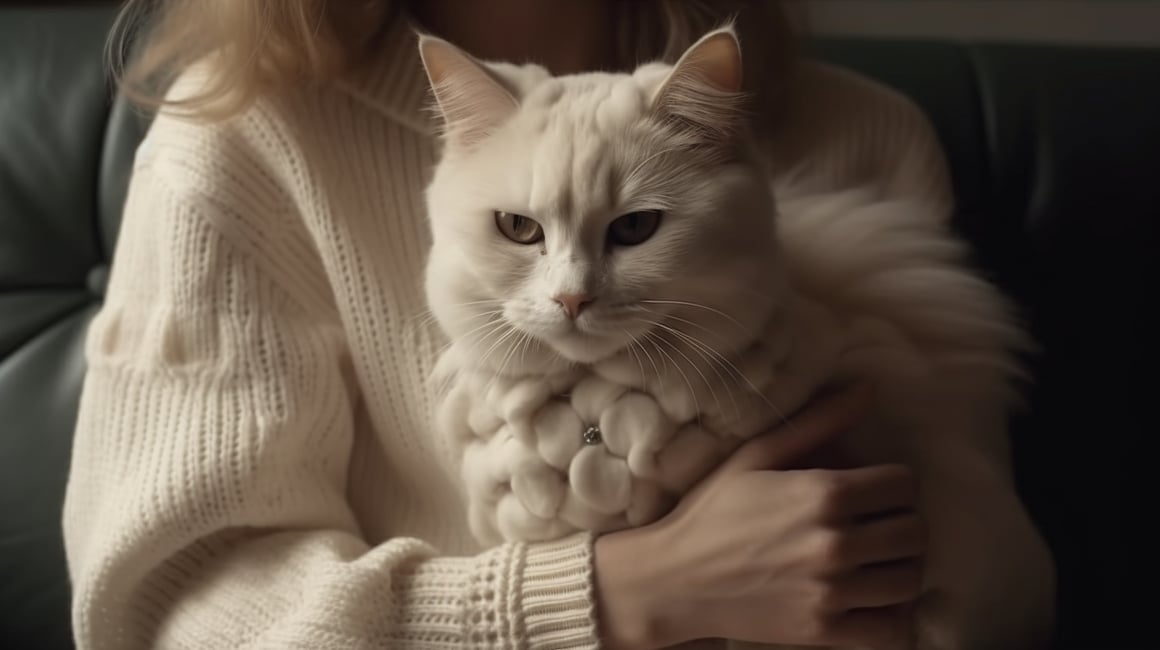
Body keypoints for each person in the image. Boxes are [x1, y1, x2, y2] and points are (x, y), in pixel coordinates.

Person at [62, 1, 1054, 648]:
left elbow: (1005, 594)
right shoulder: (238, 139)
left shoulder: (864, 136)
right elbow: (169, 606)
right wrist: (616, 594)